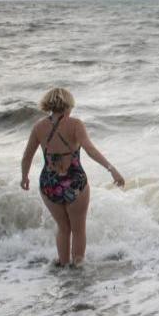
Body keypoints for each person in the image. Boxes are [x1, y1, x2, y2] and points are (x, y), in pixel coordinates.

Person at [20, 88, 125, 266]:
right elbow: (90, 150)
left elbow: (27, 156)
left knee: (63, 228)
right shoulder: (75, 124)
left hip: (49, 184)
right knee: (78, 229)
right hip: (74, 182)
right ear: (68, 105)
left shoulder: (39, 127)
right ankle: (77, 267)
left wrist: (24, 177)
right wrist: (111, 168)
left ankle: (62, 265)